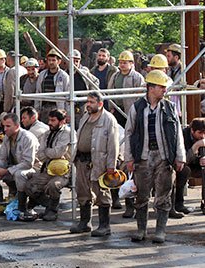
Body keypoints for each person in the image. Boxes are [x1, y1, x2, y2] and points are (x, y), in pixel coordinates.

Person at [124, 70, 186, 243]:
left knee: (164, 194)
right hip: (143, 157)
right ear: (150, 88)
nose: (164, 90)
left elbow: (177, 132)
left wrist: (179, 156)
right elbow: (129, 133)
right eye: (161, 87)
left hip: (164, 157)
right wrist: (129, 158)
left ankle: (160, 231)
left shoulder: (169, 107)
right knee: (141, 195)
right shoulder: (137, 108)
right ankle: (141, 230)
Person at [70, 91, 120, 236]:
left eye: (92, 102)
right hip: (82, 160)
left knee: (101, 192)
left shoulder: (108, 120)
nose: (88, 105)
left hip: (99, 162)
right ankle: (85, 222)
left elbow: (113, 145)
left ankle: (105, 226)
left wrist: (111, 165)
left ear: (100, 104)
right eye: (87, 102)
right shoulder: (85, 117)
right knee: (83, 192)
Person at [0, 113, 40, 221]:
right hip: (14, 167)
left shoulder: (28, 138)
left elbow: (28, 163)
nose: (5, 129)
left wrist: (7, 170)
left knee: (19, 174)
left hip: (33, 170)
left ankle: (22, 208)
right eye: (4, 126)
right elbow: (2, 158)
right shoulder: (7, 138)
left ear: (17, 126)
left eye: (8, 126)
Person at [25, 109, 72, 221]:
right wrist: (49, 153)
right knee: (30, 185)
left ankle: (52, 210)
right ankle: (48, 205)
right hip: (47, 168)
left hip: (63, 171)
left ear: (62, 121)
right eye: (49, 120)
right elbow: (40, 154)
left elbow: (58, 152)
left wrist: (47, 152)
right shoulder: (47, 133)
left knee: (53, 185)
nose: (50, 123)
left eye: (53, 120)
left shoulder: (68, 133)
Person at [107, 50, 145, 127]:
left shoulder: (137, 77)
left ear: (131, 63)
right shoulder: (115, 76)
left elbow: (141, 95)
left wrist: (137, 110)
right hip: (117, 109)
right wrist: (111, 108)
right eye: (121, 62)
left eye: (125, 62)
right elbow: (110, 91)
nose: (122, 65)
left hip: (132, 110)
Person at [35, 49, 70, 123]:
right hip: (44, 108)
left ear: (59, 61)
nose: (51, 62)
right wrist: (37, 110)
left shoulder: (64, 76)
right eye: (49, 60)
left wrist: (67, 113)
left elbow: (68, 95)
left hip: (57, 109)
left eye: (53, 60)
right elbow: (38, 92)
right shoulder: (42, 75)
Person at [71, 49, 99, 127]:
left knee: (83, 124)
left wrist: (91, 96)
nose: (75, 63)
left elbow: (96, 81)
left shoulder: (83, 73)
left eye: (77, 61)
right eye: (73, 61)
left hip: (82, 104)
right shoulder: (65, 74)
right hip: (70, 104)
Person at [182, 118, 205, 215]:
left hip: (199, 166)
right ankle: (178, 203)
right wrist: (195, 146)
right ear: (192, 130)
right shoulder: (183, 136)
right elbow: (184, 160)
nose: (202, 136)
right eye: (200, 133)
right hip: (186, 166)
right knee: (184, 171)